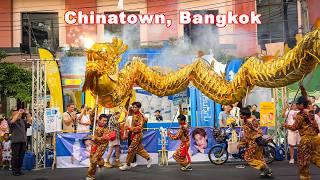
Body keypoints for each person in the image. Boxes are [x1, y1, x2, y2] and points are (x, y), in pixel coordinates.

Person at [283, 95, 320, 180]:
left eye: (297, 104)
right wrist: (302, 89)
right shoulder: (311, 110)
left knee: (303, 160)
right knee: (316, 157)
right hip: (316, 138)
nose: (296, 106)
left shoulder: (300, 115)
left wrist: (285, 125)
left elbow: (294, 127)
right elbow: (307, 100)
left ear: (302, 105)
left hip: (306, 140)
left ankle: (305, 177)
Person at [238, 107, 272, 177]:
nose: (239, 115)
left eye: (240, 114)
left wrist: (241, 143)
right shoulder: (254, 120)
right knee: (259, 158)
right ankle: (267, 172)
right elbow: (260, 132)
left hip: (253, 143)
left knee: (248, 157)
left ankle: (264, 167)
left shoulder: (247, 123)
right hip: (259, 142)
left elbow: (247, 137)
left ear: (244, 115)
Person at [119, 102, 152, 171]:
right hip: (133, 134)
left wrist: (129, 128)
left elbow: (139, 128)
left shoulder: (140, 116)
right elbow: (127, 107)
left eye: (135, 107)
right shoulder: (134, 114)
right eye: (133, 107)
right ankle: (148, 158)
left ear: (139, 108)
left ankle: (127, 164)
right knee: (138, 149)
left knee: (130, 149)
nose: (133, 108)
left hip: (137, 134)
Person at [8, 109, 32, 176]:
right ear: (13, 115)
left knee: (21, 157)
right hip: (15, 142)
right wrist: (18, 112)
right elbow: (13, 120)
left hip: (23, 141)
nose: (20, 115)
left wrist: (27, 114)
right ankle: (15, 171)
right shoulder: (10, 121)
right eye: (18, 114)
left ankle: (19, 169)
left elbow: (29, 121)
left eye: (20, 114)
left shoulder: (22, 121)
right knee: (15, 157)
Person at [86, 114, 110, 180]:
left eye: (106, 121)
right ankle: (101, 163)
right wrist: (95, 108)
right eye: (103, 120)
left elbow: (105, 138)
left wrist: (95, 138)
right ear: (99, 120)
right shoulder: (94, 123)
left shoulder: (106, 128)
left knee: (94, 159)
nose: (105, 122)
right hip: (94, 144)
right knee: (92, 158)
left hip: (102, 145)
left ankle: (90, 175)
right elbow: (91, 116)